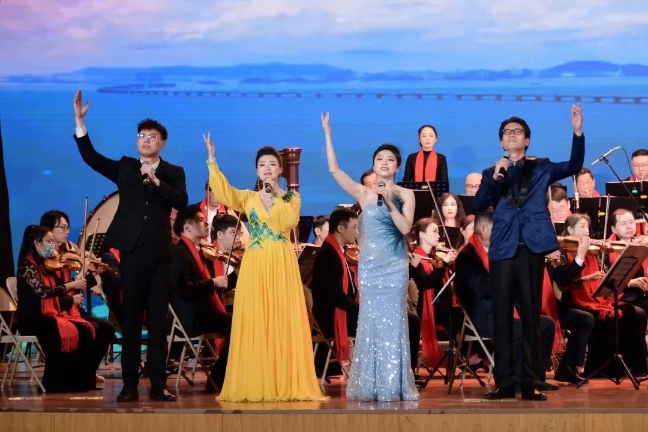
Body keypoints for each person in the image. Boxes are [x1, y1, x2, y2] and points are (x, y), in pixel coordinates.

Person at [72, 90, 188, 402]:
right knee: (132, 319)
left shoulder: (173, 172)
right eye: (142, 136)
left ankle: (159, 384)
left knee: (158, 321)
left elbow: (181, 201)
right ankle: (129, 385)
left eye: (152, 136)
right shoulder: (125, 167)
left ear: (163, 142)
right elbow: (92, 158)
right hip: (132, 253)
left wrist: (157, 181)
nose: (146, 140)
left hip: (160, 254)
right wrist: (80, 123)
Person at [472, 104, 585, 400]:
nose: (512, 135)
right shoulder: (491, 172)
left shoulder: (542, 167)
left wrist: (577, 133)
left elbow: (573, 165)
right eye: (507, 132)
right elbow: (479, 204)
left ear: (527, 140)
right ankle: (505, 382)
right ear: (501, 141)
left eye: (517, 131)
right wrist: (495, 177)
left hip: (532, 248)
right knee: (502, 317)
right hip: (503, 249)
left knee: (532, 316)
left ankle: (530, 380)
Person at [203, 132, 327, 402]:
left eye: (272, 164)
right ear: (257, 170)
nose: (267, 168)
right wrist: (212, 160)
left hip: (280, 262)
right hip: (256, 263)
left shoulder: (292, 198)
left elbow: (287, 222)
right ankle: (257, 381)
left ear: (280, 169)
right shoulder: (248, 198)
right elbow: (224, 191)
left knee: (281, 318)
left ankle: (283, 380)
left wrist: (273, 197)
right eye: (262, 165)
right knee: (256, 319)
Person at [321, 112, 419, 401]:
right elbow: (334, 171)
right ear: (374, 165)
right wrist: (328, 135)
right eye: (379, 159)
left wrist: (389, 203)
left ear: (397, 166)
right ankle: (370, 384)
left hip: (395, 267)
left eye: (390, 159)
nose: (384, 163)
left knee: (393, 322)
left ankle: (393, 385)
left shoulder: (406, 194)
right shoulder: (364, 194)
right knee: (371, 322)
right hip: (371, 267)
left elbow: (405, 228)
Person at [454, 211, 558, 392]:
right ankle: (515, 380)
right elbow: (483, 289)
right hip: (483, 315)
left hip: (504, 308)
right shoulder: (467, 256)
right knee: (518, 329)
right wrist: (504, 269)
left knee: (546, 325)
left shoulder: (496, 251)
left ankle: (535, 378)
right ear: (483, 229)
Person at [15, 225, 96, 392]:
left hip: (46, 316)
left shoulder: (44, 264)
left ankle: (77, 380)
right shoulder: (27, 266)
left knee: (84, 329)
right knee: (58, 330)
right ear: (36, 243)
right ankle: (53, 383)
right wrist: (71, 285)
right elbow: (44, 292)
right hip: (31, 319)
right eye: (49, 242)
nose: (53, 246)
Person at [170, 205, 232, 392]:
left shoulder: (195, 251)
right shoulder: (180, 252)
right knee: (241, 325)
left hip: (203, 312)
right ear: (187, 227)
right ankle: (218, 379)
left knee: (241, 321)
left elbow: (208, 286)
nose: (206, 223)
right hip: (193, 317)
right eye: (200, 220)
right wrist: (212, 282)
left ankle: (222, 378)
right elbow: (182, 289)